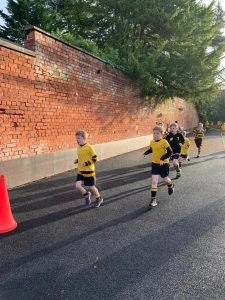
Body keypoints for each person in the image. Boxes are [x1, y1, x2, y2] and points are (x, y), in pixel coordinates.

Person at [144, 126, 174, 208]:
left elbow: (170, 152)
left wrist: (162, 158)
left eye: (157, 133)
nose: (155, 135)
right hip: (155, 164)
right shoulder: (152, 142)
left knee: (166, 179)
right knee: (154, 181)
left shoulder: (164, 142)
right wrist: (145, 153)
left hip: (164, 164)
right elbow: (152, 149)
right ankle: (153, 199)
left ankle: (170, 185)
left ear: (161, 134)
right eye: (154, 133)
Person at [74, 130, 103, 208]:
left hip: (89, 171)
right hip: (81, 170)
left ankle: (99, 198)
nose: (77, 140)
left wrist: (86, 163)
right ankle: (87, 195)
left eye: (78, 138)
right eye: (76, 138)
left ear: (84, 138)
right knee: (77, 186)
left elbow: (95, 158)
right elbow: (82, 156)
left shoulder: (89, 147)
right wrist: (77, 160)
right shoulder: (79, 147)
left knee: (91, 187)